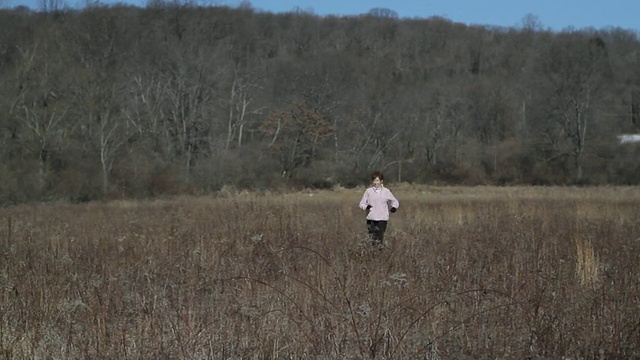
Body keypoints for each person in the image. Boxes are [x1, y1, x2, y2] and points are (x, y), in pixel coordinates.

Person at [358, 171, 399, 247]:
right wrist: (366, 207)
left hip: (382, 218)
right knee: (372, 238)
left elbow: (394, 201)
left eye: (377, 180)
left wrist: (394, 207)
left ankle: (379, 255)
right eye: (374, 180)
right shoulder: (368, 191)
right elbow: (361, 204)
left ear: (381, 181)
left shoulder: (386, 191)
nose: (375, 182)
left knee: (379, 238)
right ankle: (372, 254)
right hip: (371, 218)